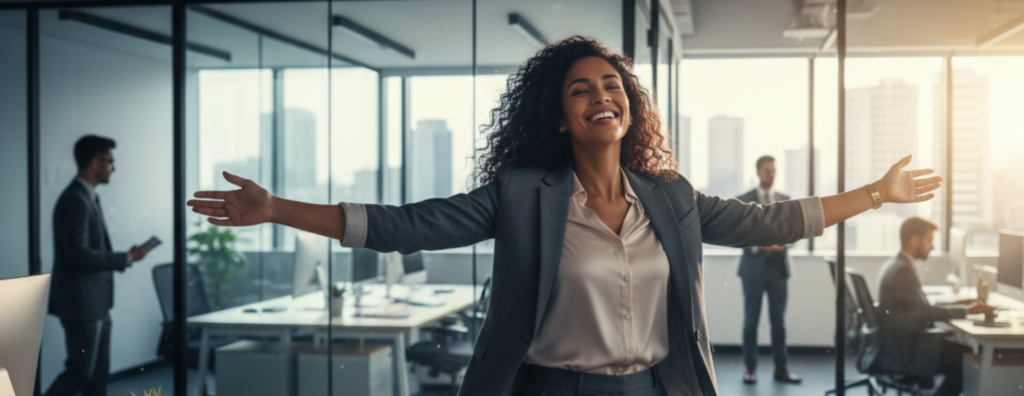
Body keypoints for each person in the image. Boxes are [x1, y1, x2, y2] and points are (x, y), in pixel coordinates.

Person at [188, 37, 942, 396]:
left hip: (657, 387)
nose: (600, 96)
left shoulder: (670, 196)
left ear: (629, 104)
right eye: (581, 89)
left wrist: (875, 193)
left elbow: (768, 223)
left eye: (611, 84)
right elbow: (404, 226)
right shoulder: (522, 195)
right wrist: (278, 208)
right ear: (558, 116)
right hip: (552, 392)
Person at [46, 135, 149, 396]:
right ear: (95, 162)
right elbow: (78, 254)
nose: (113, 167)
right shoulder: (75, 200)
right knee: (80, 372)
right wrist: (125, 258)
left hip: (96, 303)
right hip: (81, 305)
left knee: (97, 376)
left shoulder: (88, 197)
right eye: (110, 162)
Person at [876, 216, 993, 396]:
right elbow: (924, 312)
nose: (932, 246)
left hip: (901, 344)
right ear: (915, 240)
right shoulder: (903, 270)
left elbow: (917, 306)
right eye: (929, 240)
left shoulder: (897, 264)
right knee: (966, 357)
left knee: (965, 353)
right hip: (908, 350)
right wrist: (967, 311)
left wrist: (957, 304)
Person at [735, 155, 799, 384]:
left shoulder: (785, 200)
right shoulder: (743, 200)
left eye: (773, 170)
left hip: (778, 270)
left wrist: (782, 245)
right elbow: (738, 233)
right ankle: (750, 369)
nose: (771, 174)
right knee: (751, 322)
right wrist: (760, 246)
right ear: (758, 172)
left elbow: (794, 233)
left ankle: (781, 368)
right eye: (767, 171)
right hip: (753, 269)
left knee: (779, 322)